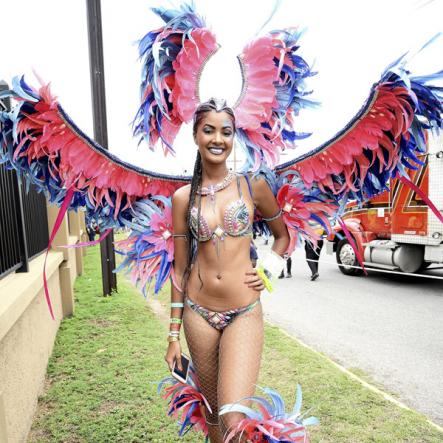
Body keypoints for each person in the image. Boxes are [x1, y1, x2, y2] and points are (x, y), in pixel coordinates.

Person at [164, 99, 289, 443]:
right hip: (198, 314)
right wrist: (173, 335)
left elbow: (283, 237)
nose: (218, 139)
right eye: (209, 130)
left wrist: (268, 271)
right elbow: (179, 267)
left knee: (234, 417)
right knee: (212, 414)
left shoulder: (253, 186)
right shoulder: (181, 198)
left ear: (234, 137)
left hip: (243, 311)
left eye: (226, 132)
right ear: (195, 135)